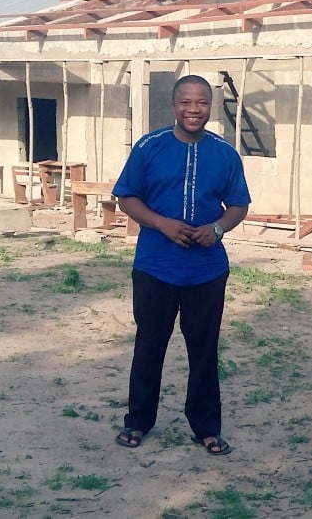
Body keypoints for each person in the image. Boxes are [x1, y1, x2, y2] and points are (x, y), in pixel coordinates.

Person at [112, 74, 251, 456]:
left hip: (206, 271)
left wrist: (218, 229)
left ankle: (206, 427)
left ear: (210, 107)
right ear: (174, 106)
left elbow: (238, 204)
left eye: (202, 103)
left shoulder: (224, 153)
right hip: (155, 266)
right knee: (149, 345)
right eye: (186, 103)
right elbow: (126, 197)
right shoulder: (149, 147)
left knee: (204, 350)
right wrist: (162, 224)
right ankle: (138, 421)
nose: (194, 110)